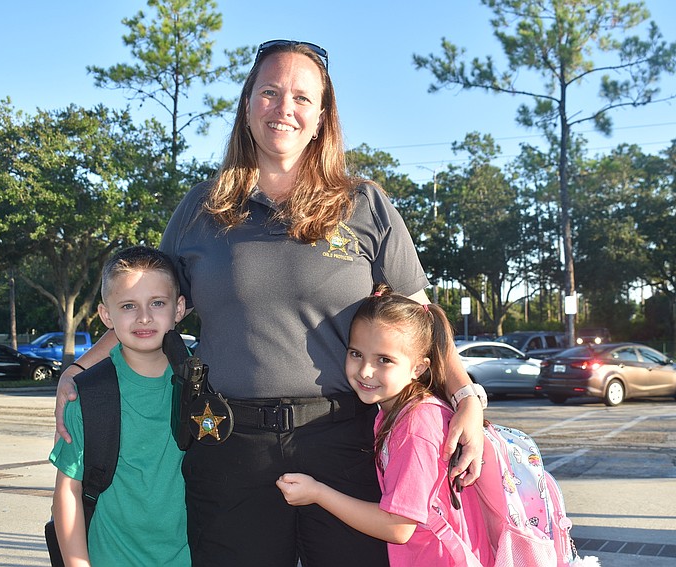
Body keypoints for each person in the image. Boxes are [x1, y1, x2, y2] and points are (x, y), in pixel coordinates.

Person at [54, 39, 486, 567]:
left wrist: (466, 398)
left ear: (322, 115)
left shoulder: (365, 204)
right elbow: (145, 305)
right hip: (227, 441)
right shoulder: (200, 208)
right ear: (247, 104)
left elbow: (425, 323)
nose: (285, 108)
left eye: (302, 97)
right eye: (270, 92)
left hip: (344, 440)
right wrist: (78, 371)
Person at [276, 284, 495, 566]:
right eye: (356, 354)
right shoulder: (404, 412)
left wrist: (317, 493)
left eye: (384, 360)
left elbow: (398, 527)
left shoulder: (416, 425)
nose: (366, 371)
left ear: (419, 368)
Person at [49, 245, 190, 566]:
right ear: (106, 315)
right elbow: (67, 491)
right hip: (109, 558)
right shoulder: (88, 395)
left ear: (179, 309)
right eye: (128, 305)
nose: (144, 317)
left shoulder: (201, 385)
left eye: (157, 303)